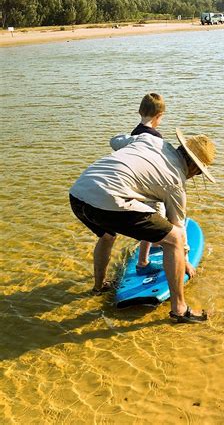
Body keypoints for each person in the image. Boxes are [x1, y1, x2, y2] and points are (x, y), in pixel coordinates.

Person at [69, 127, 216, 323]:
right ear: (195, 167)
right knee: (174, 239)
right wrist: (185, 257)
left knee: (107, 235)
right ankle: (180, 309)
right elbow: (178, 228)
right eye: (198, 173)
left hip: (79, 194)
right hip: (108, 200)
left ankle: (99, 287)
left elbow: (115, 141)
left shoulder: (150, 139)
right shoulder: (175, 182)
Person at [116, 93, 167, 276]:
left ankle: (153, 244)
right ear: (159, 116)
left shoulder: (134, 133)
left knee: (146, 217)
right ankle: (143, 262)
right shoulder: (155, 137)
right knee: (153, 219)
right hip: (147, 186)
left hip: (132, 183)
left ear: (139, 111)